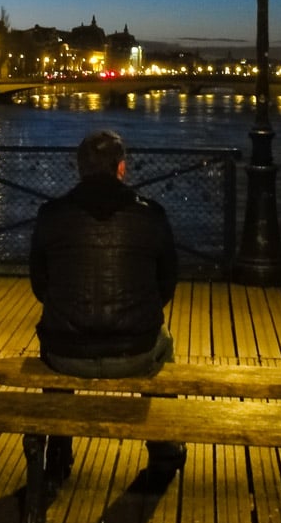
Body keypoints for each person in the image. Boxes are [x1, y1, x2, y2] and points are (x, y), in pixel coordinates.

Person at [29, 129, 183, 486]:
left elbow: (41, 286)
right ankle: (164, 450)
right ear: (122, 169)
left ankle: (58, 452)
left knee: (53, 334)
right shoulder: (151, 214)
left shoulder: (51, 214)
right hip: (135, 351)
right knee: (165, 343)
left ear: (79, 169)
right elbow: (166, 284)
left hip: (66, 353)